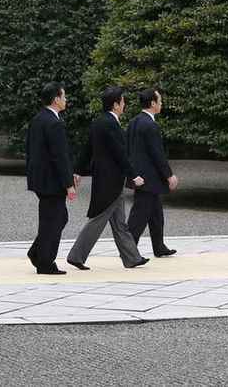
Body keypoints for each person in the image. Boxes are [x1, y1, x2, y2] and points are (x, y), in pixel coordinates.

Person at [67, 87, 150, 270]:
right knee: (99, 218)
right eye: (122, 101)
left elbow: (87, 148)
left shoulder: (99, 122)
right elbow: (119, 154)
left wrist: (78, 170)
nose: (124, 104)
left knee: (119, 222)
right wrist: (134, 175)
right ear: (115, 104)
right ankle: (76, 255)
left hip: (106, 178)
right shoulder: (110, 124)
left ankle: (132, 258)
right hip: (110, 180)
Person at [25, 82, 78, 275]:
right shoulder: (54, 123)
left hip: (41, 179)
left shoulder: (38, 119)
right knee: (53, 220)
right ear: (56, 99)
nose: (65, 100)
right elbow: (59, 156)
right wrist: (68, 184)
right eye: (63, 96)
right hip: (52, 181)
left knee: (57, 217)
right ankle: (45, 262)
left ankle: (37, 252)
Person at [126, 88, 178, 257]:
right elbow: (157, 154)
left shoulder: (134, 121)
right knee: (139, 216)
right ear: (153, 103)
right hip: (149, 177)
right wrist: (169, 175)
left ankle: (159, 246)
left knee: (156, 213)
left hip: (141, 175)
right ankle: (129, 250)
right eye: (160, 101)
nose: (161, 104)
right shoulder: (150, 125)